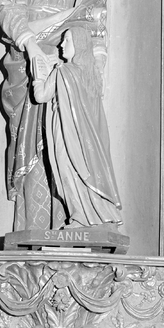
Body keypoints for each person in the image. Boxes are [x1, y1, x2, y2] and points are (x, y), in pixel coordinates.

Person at [0, 0, 110, 231]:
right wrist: (31, 47)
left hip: (72, 67)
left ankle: (76, 220)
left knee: (73, 145)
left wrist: (97, 63)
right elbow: (8, 9)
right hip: (31, 63)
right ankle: (33, 227)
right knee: (36, 142)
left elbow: (97, 22)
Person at [32, 27, 122, 227]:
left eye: (67, 40)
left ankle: (81, 217)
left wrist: (38, 75)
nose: (61, 44)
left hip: (66, 130)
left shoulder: (64, 71)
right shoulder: (90, 76)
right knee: (84, 170)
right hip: (87, 138)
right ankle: (97, 215)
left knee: (67, 170)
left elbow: (41, 96)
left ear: (79, 45)